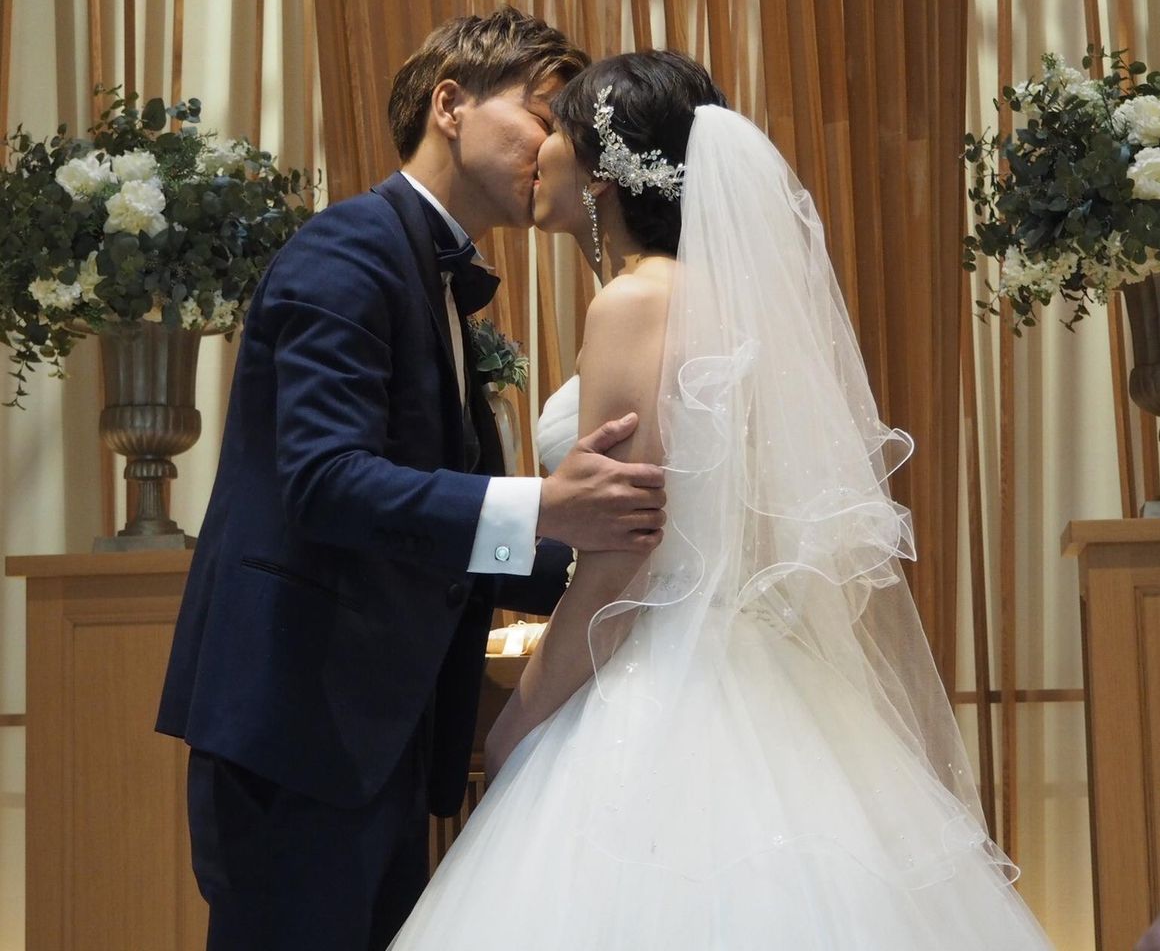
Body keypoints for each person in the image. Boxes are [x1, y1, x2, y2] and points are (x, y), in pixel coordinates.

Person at [388, 50, 1057, 949]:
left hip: (658, 672)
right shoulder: (722, 301)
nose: (538, 147)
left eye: (556, 130)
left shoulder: (634, 303)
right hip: (757, 670)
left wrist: (518, 719)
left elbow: (627, 553)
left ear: (600, 172)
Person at [155, 8, 669, 951]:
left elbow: (431, 534)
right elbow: (326, 481)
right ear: (450, 105)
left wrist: (635, 568)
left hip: (376, 730)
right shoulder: (346, 249)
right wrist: (548, 507)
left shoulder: (431, 278)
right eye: (543, 115)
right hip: (299, 725)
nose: (557, 147)